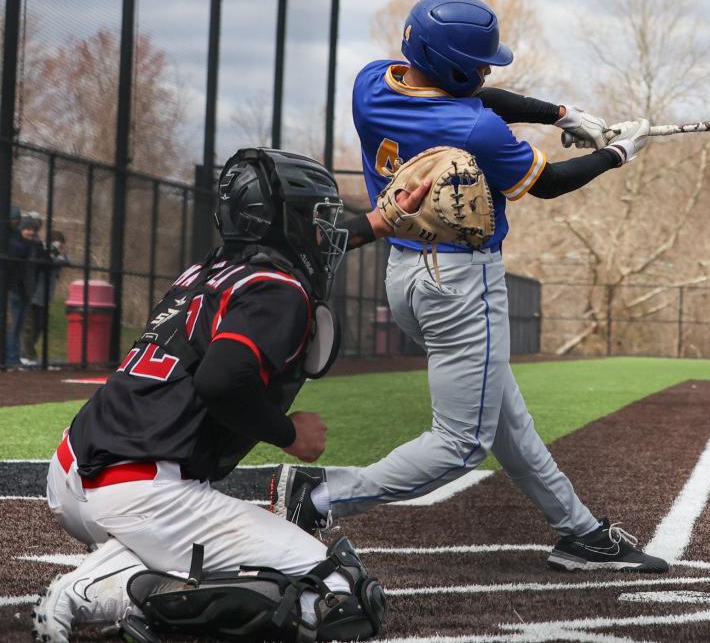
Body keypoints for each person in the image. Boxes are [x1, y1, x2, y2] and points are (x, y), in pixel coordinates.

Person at [270, 0, 668, 574]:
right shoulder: (476, 130)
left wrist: (559, 114)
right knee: (461, 443)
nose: (486, 71)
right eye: (478, 63)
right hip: (462, 286)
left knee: (507, 421)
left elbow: (474, 93)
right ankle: (321, 498)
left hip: (406, 274)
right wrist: (615, 153)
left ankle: (579, 532)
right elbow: (550, 182)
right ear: (452, 65)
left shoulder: (373, 82)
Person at [31, 148, 424, 643]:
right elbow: (221, 380)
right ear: (286, 221)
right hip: (145, 491)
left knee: (202, 558)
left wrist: (380, 221)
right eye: (316, 217)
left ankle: (118, 572)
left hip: (74, 473)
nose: (326, 231)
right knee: (338, 597)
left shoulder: (204, 272)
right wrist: (289, 434)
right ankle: (107, 593)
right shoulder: (281, 290)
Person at [22, 229, 70, 368]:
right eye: (58, 245)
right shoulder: (42, 251)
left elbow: (65, 260)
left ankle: (28, 352)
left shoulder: (57, 255)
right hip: (35, 295)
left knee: (39, 325)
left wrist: (61, 255)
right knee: (29, 326)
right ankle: (26, 354)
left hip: (45, 298)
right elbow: (52, 260)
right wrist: (56, 253)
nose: (60, 248)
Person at [4, 214, 39, 369]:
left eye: (33, 229)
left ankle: (14, 357)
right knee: (14, 325)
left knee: (18, 326)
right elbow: (18, 250)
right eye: (27, 229)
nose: (30, 232)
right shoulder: (16, 244)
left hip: (26, 291)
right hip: (15, 290)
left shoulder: (33, 245)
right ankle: (11, 357)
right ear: (21, 229)